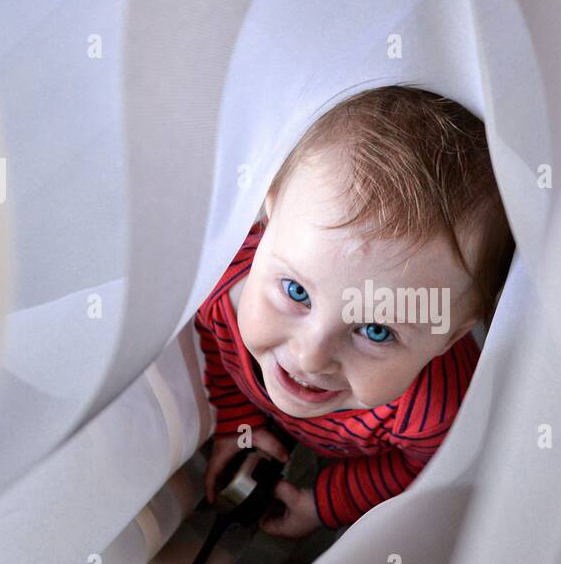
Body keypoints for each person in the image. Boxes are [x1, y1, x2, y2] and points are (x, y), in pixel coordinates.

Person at [194, 85, 513, 536]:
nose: (310, 357)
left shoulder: (437, 409)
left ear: (451, 336)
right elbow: (217, 347)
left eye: (376, 331)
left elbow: (416, 468)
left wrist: (323, 504)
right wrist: (238, 424)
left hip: (360, 454)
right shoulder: (222, 287)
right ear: (268, 216)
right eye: (296, 291)